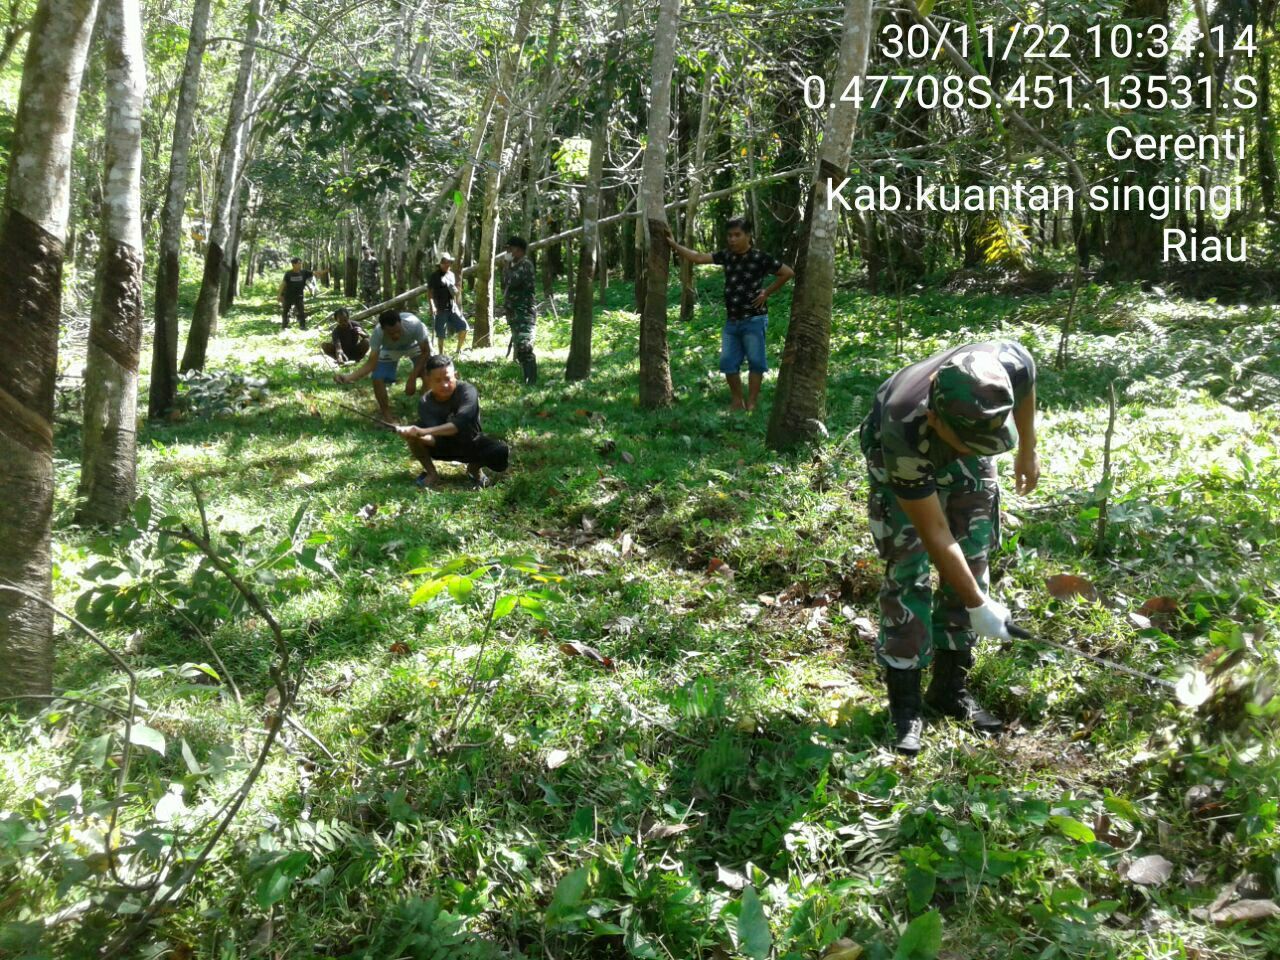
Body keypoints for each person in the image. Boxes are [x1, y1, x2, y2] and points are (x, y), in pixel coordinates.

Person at [859, 340, 1041, 755]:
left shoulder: (1008, 363)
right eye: (965, 444)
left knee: (973, 556)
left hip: (971, 430)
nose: (966, 455)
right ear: (935, 418)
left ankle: (949, 689)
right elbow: (934, 534)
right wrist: (980, 606)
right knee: (907, 566)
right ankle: (905, 707)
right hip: (902, 452)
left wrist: (1027, 449)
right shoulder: (902, 425)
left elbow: (1026, 386)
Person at [665, 218, 794, 411]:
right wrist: (674, 245)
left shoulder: (759, 257)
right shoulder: (727, 256)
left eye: (737, 235)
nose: (732, 240)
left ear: (748, 236)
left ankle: (751, 403)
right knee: (727, 362)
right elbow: (698, 257)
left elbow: (787, 272)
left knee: (756, 362)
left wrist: (766, 292)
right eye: (729, 236)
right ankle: (736, 400)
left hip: (754, 319)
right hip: (732, 321)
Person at [395, 355, 509, 489]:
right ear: (428, 380)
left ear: (456, 375)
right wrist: (413, 435)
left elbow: (458, 425)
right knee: (414, 436)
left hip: (471, 443)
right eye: (437, 380)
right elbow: (433, 438)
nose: (444, 384)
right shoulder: (425, 402)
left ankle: (474, 468)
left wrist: (422, 432)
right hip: (443, 446)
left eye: (448, 378)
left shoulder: (468, 391)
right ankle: (432, 473)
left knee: (500, 451)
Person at [335, 309, 433, 423]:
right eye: (391, 333)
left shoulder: (414, 324)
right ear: (383, 329)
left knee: (429, 373)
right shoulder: (378, 333)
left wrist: (412, 378)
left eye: (398, 331)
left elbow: (426, 352)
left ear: (401, 323)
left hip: (414, 346)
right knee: (377, 377)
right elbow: (371, 364)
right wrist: (348, 377)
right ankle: (387, 416)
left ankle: (425, 411)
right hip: (390, 349)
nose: (396, 336)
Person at [501, 236, 538, 385]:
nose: (508, 251)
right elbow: (504, 286)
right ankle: (527, 379)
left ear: (519, 250)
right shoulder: (511, 266)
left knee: (525, 346)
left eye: (510, 248)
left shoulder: (525, 265)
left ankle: (532, 382)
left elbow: (513, 282)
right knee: (520, 346)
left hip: (525, 312)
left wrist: (507, 266)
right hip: (513, 312)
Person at [426, 253, 469, 354]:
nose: (447, 265)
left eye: (448, 262)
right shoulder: (434, 276)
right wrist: (432, 306)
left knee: (464, 327)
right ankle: (441, 354)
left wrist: (455, 293)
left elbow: (455, 291)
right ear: (439, 264)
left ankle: (458, 351)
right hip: (440, 309)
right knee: (441, 335)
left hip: (452, 308)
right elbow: (430, 293)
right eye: (444, 262)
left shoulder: (451, 275)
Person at [279, 257, 311, 330]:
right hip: (288, 296)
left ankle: (302, 326)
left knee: (301, 311)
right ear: (293, 264)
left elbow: (312, 275)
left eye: (300, 263)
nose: (300, 265)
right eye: (299, 263)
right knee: (286, 311)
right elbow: (283, 284)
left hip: (299, 296)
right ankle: (284, 325)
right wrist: (279, 295)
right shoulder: (288, 274)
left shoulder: (303, 273)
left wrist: (324, 271)